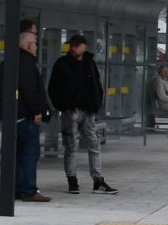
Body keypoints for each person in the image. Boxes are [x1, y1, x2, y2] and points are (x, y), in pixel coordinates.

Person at [47, 34, 117, 195]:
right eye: (71, 45)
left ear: (84, 47)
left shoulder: (90, 64)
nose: (73, 48)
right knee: (71, 146)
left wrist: (96, 105)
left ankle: (98, 181)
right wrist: (63, 106)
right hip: (70, 111)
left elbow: (97, 86)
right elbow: (53, 89)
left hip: (88, 111)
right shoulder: (62, 64)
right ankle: (72, 181)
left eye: (76, 45)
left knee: (94, 145)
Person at [12, 20, 51, 204]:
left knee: (18, 154)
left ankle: (17, 188)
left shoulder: (11, 60)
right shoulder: (27, 63)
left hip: (15, 115)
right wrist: (37, 111)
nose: (37, 46)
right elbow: (30, 90)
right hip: (26, 116)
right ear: (29, 45)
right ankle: (28, 189)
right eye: (35, 43)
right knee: (29, 153)